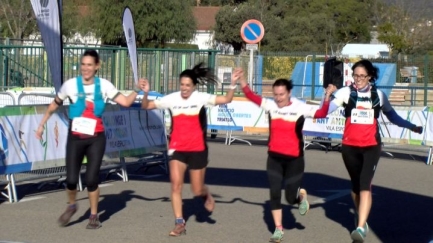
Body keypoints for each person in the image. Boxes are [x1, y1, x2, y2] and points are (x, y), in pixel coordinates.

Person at [35, 49, 145, 229]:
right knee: (71, 180)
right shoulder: (70, 85)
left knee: (92, 179)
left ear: (97, 66)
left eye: (89, 65)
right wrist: (42, 124)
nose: (85, 68)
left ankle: (94, 216)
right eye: (83, 64)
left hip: (96, 138)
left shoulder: (104, 86)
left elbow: (125, 102)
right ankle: (72, 205)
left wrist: (136, 89)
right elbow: (55, 104)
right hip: (75, 138)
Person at [140, 63, 241, 236]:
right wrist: (146, 92)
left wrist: (232, 84)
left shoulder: (200, 97)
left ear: (193, 86)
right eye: (182, 85)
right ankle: (179, 223)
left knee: (196, 188)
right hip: (177, 148)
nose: (184, 88)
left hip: (197, 148)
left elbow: (226, 100)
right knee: (175, 185)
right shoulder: (171, 99)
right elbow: (146, 106)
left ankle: (205, 194)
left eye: (188, 85)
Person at [328, 59, 423, 242]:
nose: (358, 79)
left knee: (365, 185)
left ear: (370, 76)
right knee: (355, 187)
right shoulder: (346, 93)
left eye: (362, 76)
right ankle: (360, 217)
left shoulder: (378, 94)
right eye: (355, 75)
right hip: (349, 146)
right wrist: (327, 98)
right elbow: (327, 110)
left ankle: (361, 227)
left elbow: (393, 116)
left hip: (371, 146)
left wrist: (411, 126)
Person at [239, 72, 337, 243]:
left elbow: (321, 114)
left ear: (289, 93)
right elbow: (251, 96)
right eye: (275, 95)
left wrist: (327, 96)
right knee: (274, 193)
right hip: (274, 157)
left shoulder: (300, 107)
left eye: (281, 94)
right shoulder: (271, 106)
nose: (278, 98)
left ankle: (300, 197)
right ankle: (278, 229)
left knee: (289, 198)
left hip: (295, 159)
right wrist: (241, 81)